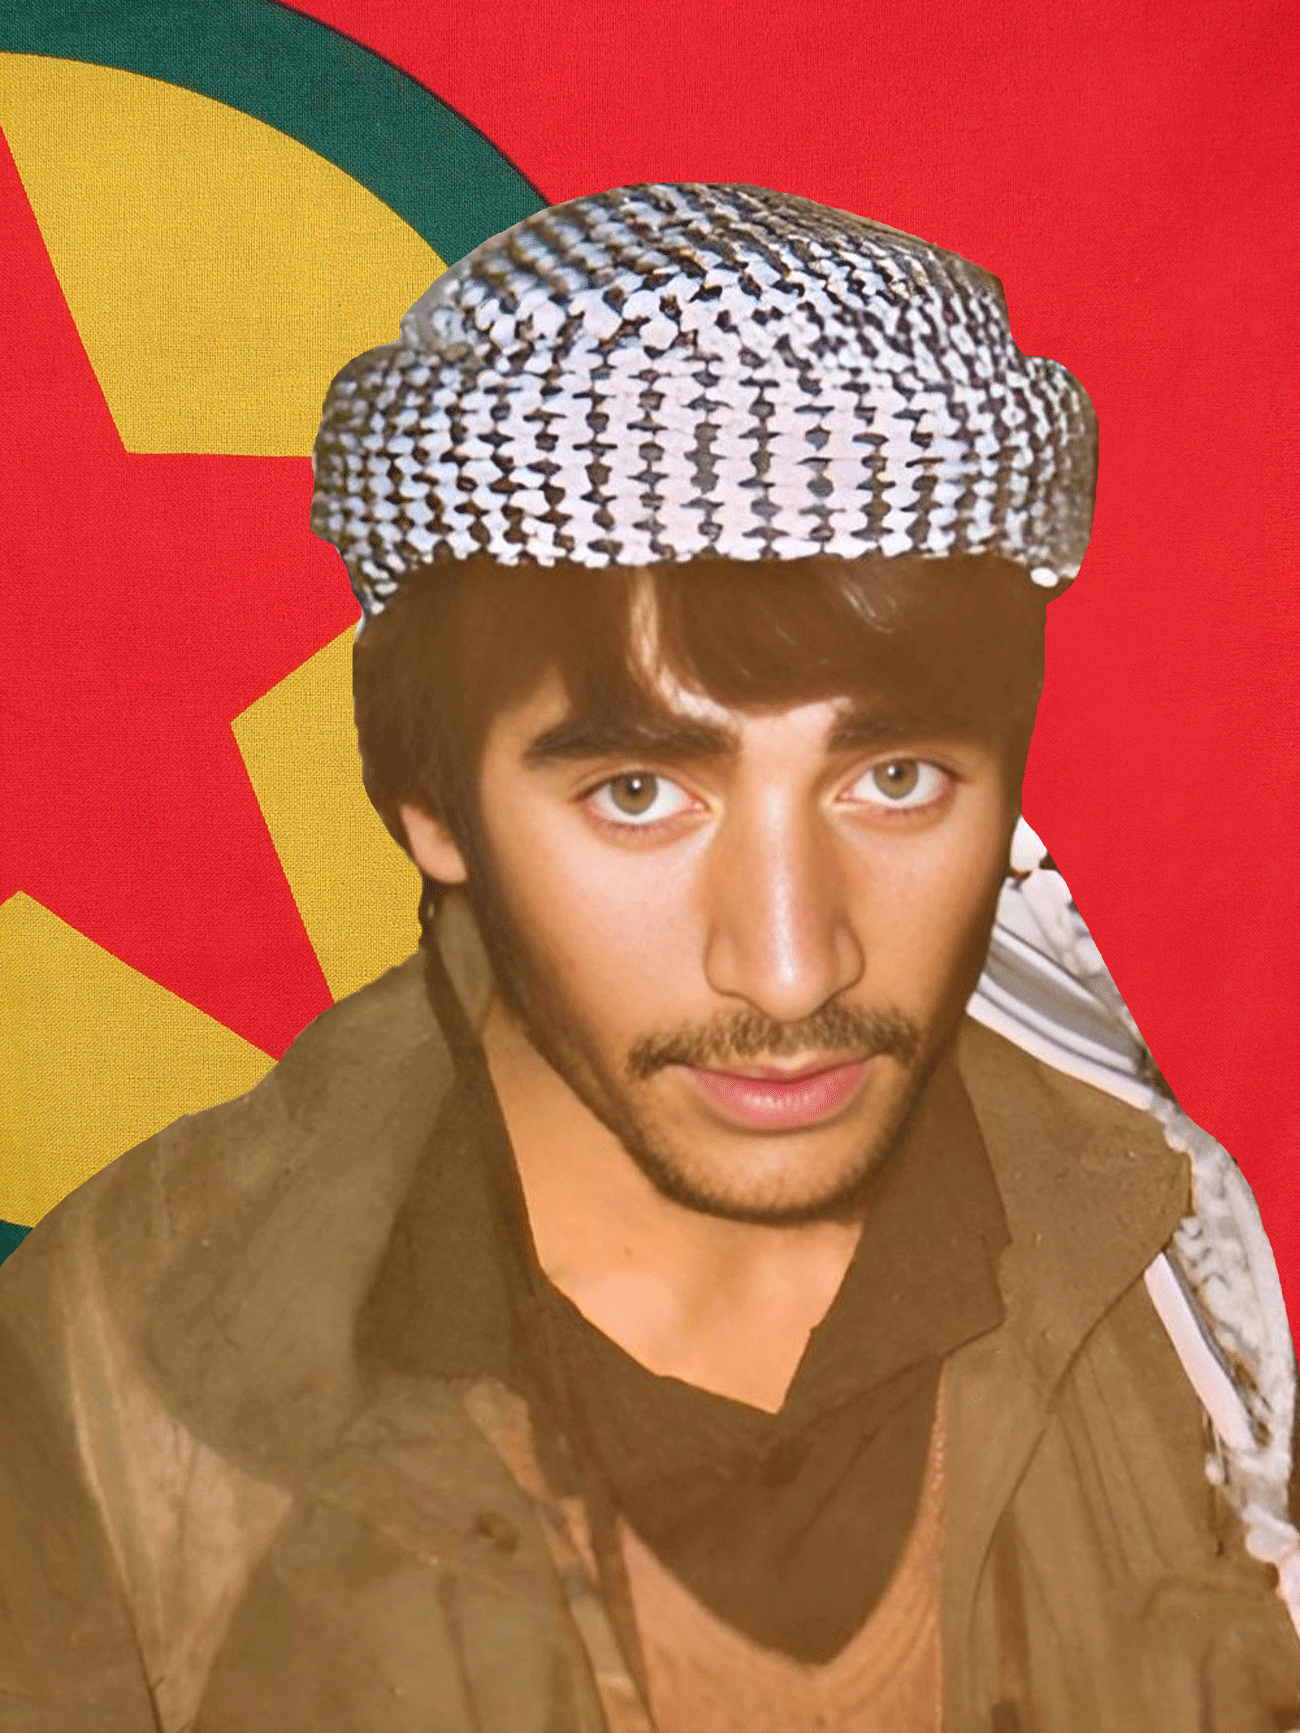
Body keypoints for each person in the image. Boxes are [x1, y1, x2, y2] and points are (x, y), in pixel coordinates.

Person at [1, 183, 1297, 1732]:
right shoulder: (100, 1373)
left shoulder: (1180, 1269)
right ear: (430, 801)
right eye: (638, 794)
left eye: (893, 779)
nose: (793, 969)